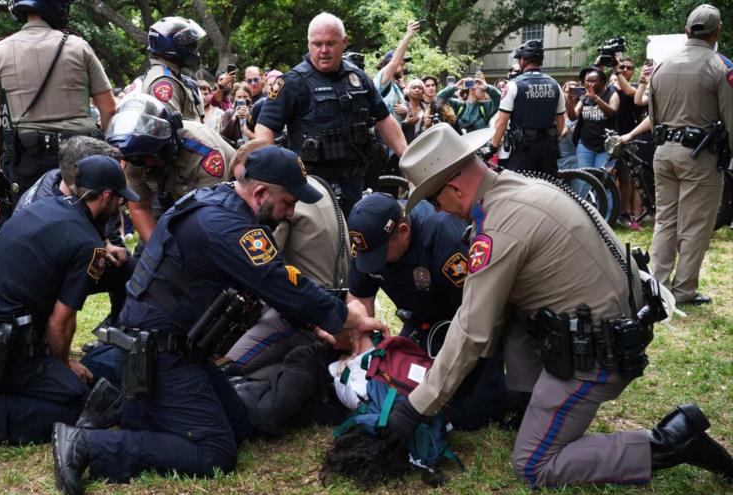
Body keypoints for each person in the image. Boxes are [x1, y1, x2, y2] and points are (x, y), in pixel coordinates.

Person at [386, 123, 733, 488]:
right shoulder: (519, 187)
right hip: (609, 325)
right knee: (509, 306)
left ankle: (672, 441)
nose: (438, 211)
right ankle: (529, 403)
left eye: (434, 200)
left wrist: (416, 407)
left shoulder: (499, 228)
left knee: (534, 464)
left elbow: (472, 329)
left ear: (454, 188)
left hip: (597, 353)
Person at [51, 145, 388, 494]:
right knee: (215, 453)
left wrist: (320, 323)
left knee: (238, 424)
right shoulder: (228, 227)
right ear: (260, 193)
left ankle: (128, 406)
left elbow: (272, 287)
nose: (290, 213)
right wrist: (349, 318)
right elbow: (279, 282)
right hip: (159, 353)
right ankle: (87, 445)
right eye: (288, 202)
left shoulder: (216, 202)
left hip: (172, 346)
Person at [0, 155, 139, 460]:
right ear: (107, 196)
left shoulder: (45, 207)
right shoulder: (87, 245)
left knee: (56, 385)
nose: (121, 207)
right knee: (78, 401)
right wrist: (63, 365)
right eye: (120, 200)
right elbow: (61, 323)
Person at [345, 191, 509, 431]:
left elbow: (481, 311)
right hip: (419, 319)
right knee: (402, 387)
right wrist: (364, 351)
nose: (374, 263)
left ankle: (518, 392)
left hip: (466, 322)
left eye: (379, 255)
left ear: (404, 231)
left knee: (467, 417)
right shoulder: (368, 240)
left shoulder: (444, 238)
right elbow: (360, 297)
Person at [255, 12, 407, 214]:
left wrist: (408, 158)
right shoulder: (292, 82)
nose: (323, 50)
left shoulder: (359, 78)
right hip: (310, 184)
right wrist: (273, 176)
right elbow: (264, 127)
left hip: (354, 182)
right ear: (308, 44)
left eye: (330, 43)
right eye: (317, 44)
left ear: (344, 42)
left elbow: (384, 119)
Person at [225, 140, 350, 374]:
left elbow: (260, 272)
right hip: (335, 301)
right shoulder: (314, 185)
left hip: (308, 313)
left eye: (244, 179)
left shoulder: (280, 201)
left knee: (223, 369)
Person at [0, 0, 116, 198]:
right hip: (83, 154)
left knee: (32, 220)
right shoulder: (79, 47)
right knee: (87, 220)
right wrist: (110, 154)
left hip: (30, 159)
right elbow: (109, 109)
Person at [647, 4, 733, 306]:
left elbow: (653, 114)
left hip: (663, 151)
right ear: (717, 31)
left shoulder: (662, 64)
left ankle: (658, 285)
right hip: (699, 156)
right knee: (695, 225)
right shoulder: (720, 66)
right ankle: (683, 290)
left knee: (665, 220)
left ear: (687, 30)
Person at [14, 136, 134, 325]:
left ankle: (121, 328)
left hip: (68, 257)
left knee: (129, 268)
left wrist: (106, 245)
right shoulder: (48, 210)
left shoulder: (67, 182)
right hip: (36, 281)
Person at [107, 94, 234, 241]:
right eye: (142, 160)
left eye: (153, 156)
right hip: (173, 201)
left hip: (223, 205)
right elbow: (140, 208)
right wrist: (158, 249)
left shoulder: (205, 154)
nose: (148, 164)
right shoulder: (134, 155)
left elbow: (210, 216)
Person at [490, 39, 565, 175]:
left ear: (523, 60)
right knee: (550, 188)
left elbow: (502, 122)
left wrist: (493, 147)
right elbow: (560, 122)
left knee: (519, 190)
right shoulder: (555, 84)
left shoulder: (513, 85)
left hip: (523, 150)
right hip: (548, 149)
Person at [136, 16, 206, 121]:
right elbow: (173, 131)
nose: (194, 50)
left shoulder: (174, 77)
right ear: (172, 46)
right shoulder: (164, 82)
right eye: (191, 46)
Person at [565, 65, 619, 170]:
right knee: (584, 180)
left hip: (605, 146)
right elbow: (572, 117)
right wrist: (568, 99)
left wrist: (595, 98)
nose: (589, 84)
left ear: (602, 82)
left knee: (601, 181)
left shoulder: (611, 93)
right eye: (587, 81)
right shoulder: (584, 97)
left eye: (593, 81)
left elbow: (611, 113)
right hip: (585, 145)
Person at [437, 75, 502, 133]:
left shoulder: (485, 107)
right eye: (482, 89)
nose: (485, 92)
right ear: (472, 89)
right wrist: (455, 87)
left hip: (480, 145)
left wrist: (487, 87)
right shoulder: (458, 105)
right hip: (461, 145)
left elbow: (500, 98)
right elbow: (439, 98)